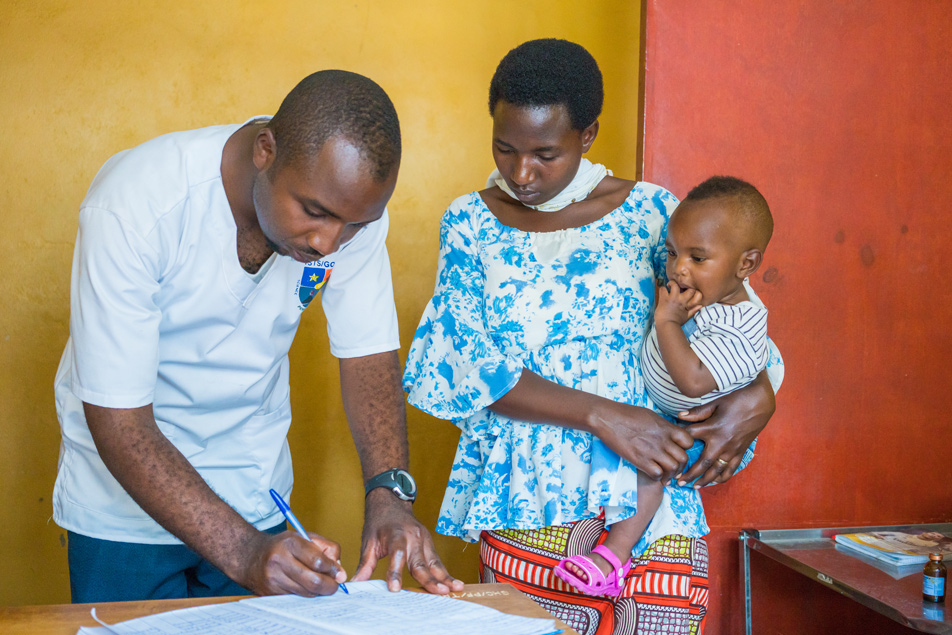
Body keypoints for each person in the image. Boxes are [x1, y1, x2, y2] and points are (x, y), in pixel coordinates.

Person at [403, 39, 782, 634]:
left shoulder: (653, 214)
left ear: (588, 135)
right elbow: (465, 365)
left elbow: (730, 321)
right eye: (505, 148)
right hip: (527, 499)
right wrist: (607, 416)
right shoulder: (469, 222)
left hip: (653, 506)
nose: (522, 173)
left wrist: (760, 394)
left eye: (545, 154)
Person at [53, 70, 463, 603]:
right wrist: (244, 552)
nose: (329, 242)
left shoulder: (348, 211)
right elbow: (119, 420)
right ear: (266, 150)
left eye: (355, 226)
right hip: (123, 511)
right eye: (314, 213)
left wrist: (389, 494)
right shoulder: (136, 205)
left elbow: (368, 354)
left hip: (253, 488)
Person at [554, 175, 774, 595]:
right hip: (662, 407)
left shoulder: (741, 326)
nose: (679, 269)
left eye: (698, 258)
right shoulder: (706, 295)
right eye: (673, 253)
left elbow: (692, 381)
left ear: (745, 265)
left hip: (687, 423)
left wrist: (666, 320)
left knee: (650, 472)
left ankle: (613, 557)